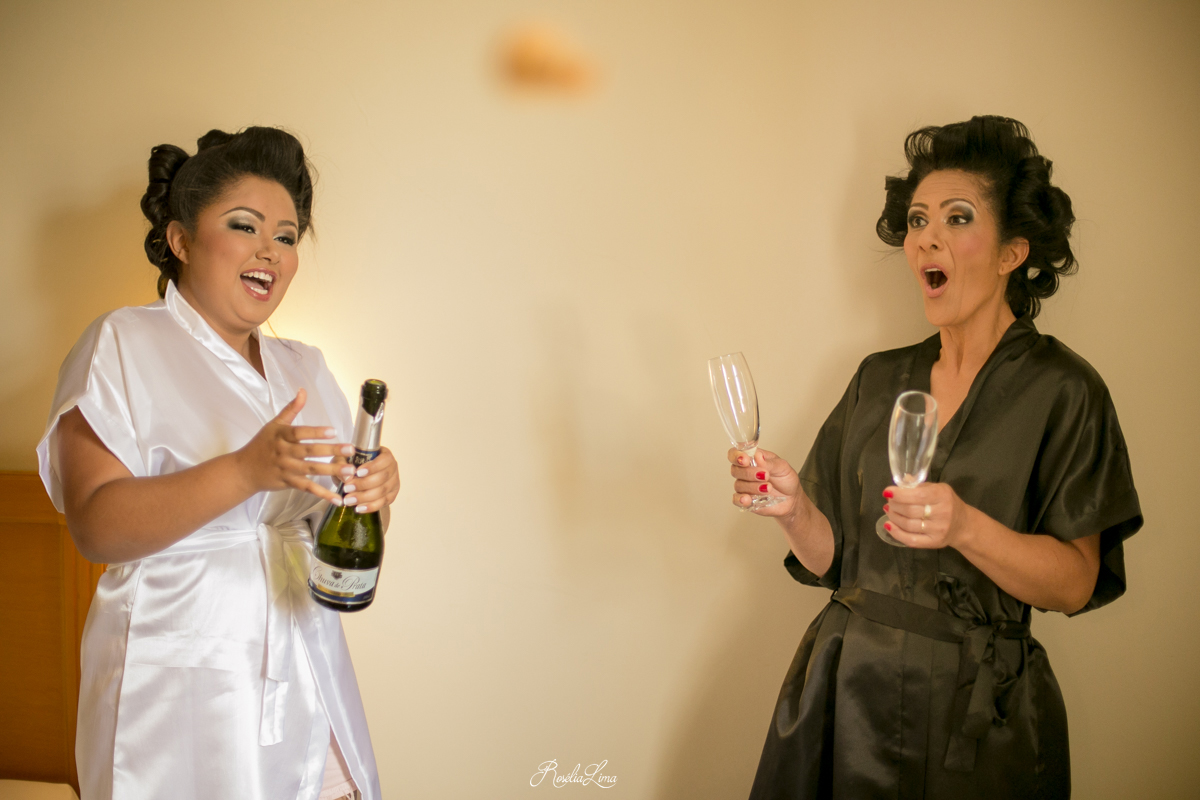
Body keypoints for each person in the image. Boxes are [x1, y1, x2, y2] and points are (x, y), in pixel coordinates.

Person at [731, 116, 1142, 798]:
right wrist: (793, 508)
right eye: (918, 219)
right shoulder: (877, 378)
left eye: (957, 217)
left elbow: (1075, 583)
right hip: (847, 694)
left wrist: (966, 526)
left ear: (1012, 252)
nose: (926, 236)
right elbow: (836, 561)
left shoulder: (1064, 390)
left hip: (976, 718)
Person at [36, 127, 398, 800]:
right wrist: (243, 472)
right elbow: (94, 526)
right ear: (180, 239)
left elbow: (334, 548)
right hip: (180, 684)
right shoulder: (122, 342)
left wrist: (371, 498)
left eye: (286, 236)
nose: (270, 250)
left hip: (307, 668)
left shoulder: (305, 365)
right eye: (244, 225)